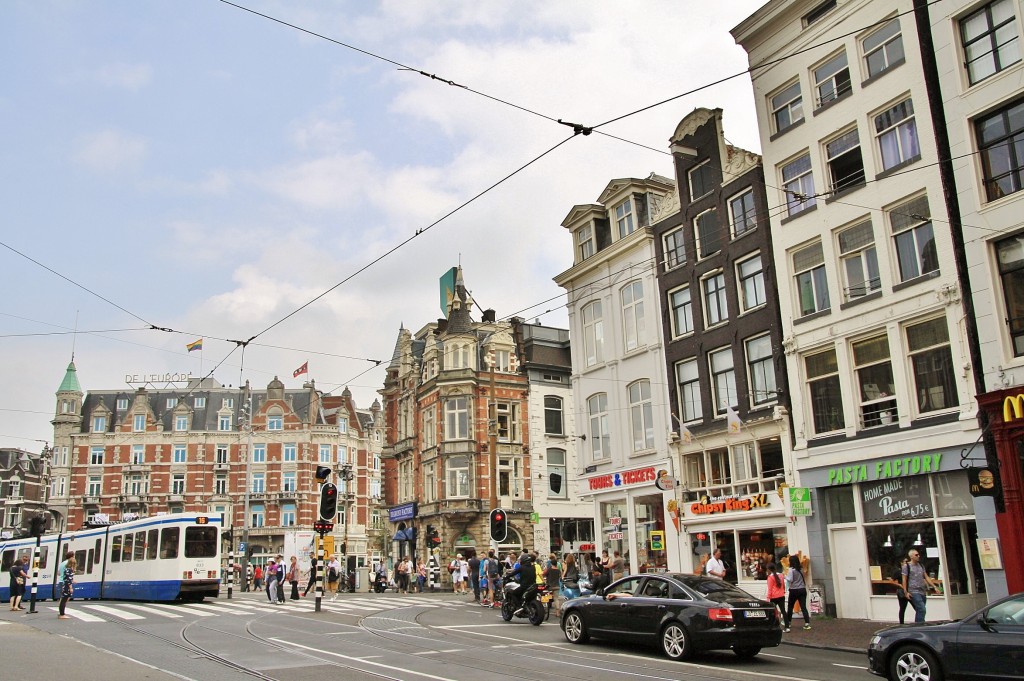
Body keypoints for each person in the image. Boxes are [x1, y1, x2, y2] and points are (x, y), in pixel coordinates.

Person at [902, 549, 937, 623]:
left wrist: (934, 586)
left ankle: (918, 624)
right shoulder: (906, 566)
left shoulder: (921, 565)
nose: (918, 556)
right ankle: (921, 624)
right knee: (922, 609)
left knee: (920, 609)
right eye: (916, 555)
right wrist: (906, 592)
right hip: (913, 591)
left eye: (918, 554)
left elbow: (926, 577)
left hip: (922, 590)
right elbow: (904, 579)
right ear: (911, 556)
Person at [783, 555, 810, 632]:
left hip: (794, 590)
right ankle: (807, 623)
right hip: (802, 589)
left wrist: (785, 576)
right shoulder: (801, 569)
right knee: (803, 607)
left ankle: (788, 622)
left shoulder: (791, 570)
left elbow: (790, 579)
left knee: (790, 606)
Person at [58, 555, 76, 619]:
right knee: (64, 600)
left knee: (63, 599)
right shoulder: (69, 570)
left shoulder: (66, 569)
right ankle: (62, 614)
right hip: (66, 586)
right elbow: (69, 580)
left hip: (64, 585)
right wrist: (71, 588)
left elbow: (65, 577)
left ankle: (61, 613)